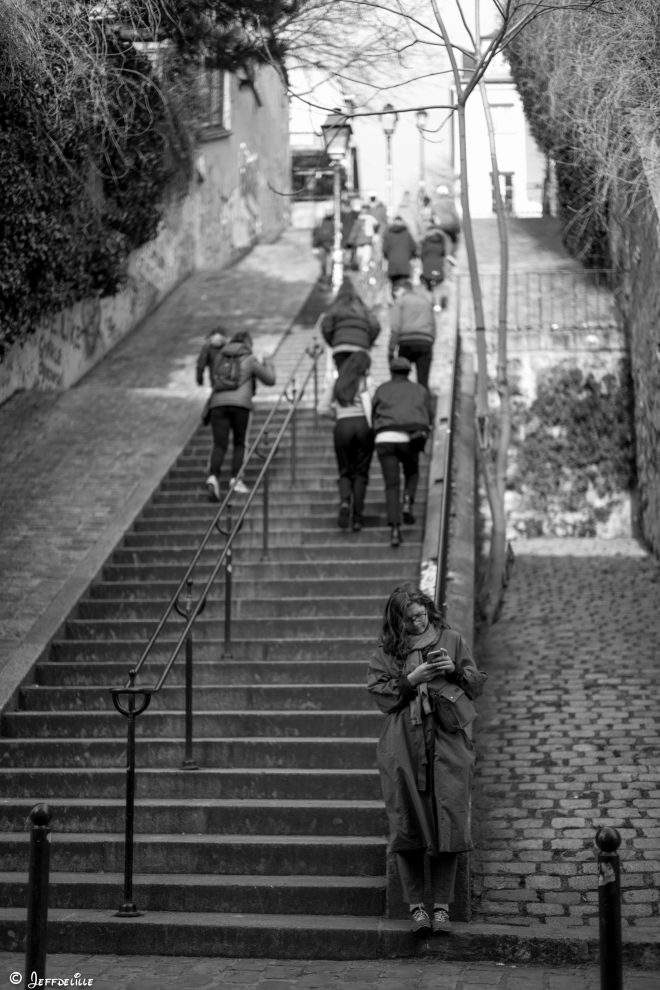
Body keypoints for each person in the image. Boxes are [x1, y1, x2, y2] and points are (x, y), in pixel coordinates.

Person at [366, 583, 487, 937]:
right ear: (397, 622)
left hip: (448, 740)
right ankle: (417, 906)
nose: (418, 624)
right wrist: (410, 680)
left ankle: (443, 907)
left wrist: (453, 671)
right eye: (409, 619)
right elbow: (378, 692)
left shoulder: (451, 638)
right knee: (407, 824)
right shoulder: (387, 652)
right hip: (404, 743)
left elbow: (476, 685)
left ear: (428, 611)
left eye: (421, 615)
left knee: (448, 820)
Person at [196, 329, 276, 501]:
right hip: (240, 405)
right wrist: (268, 361)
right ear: (248, 343)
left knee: (219, 444)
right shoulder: (249, 358)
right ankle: (236, 478)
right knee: (240, 442)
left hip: (217, 404)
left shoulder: (220, 357)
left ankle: (213, 477)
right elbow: (270, 379)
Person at [372, 356, 432, 547]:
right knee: (412, 470)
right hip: (409, 437)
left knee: (391, 485)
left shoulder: (382, 389)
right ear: (409, 372)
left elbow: (373, 411)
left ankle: (395, 530)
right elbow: (427, 413)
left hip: (385, 438)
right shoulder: (419, 390)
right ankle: (408, 500)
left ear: (392, 372)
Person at [329, 350, 375, 532]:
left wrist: (338, 415)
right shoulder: (366, 382)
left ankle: (345, 501)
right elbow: (373, 404)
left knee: (345, 471)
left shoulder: (337, 382)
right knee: (361, 473)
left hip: (342, 427)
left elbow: (322, 407)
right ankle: (357, 518)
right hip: (363, 426)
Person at [320, 276, 381, 371]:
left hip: (340, 348)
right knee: (357, 378)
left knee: (343, 377)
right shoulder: (362, 307)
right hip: (360, 347)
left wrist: (333, 342)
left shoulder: (335, 307)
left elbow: (326, 327)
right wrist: (368, 342)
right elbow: (375, 325)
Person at [388, 279, 436, 390]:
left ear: (403, 289)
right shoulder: (425, 301)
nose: (394, 294)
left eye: (396, 290)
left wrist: (391, 347)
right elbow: (433, 325)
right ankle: (424, 403)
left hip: (406, 342)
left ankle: (403, 400)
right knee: (423, 381)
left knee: (400, 379)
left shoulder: (401, 301)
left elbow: (395, 326)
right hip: (425, 342)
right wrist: (430, 341)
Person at [382, 216, 417, 296]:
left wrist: (389, 257)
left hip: (392, 263)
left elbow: (384, 250)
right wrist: (408, 256)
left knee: (394, 285)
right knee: (403, 284)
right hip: (404, 263)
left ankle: (395, 302)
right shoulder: (407, 234)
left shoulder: (388, 235)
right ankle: (403, 301)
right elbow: (413, 247)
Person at [420, 222, 448, 311]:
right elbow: (444, 253)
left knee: (429, 286)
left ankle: (430, 303)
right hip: (438, 267)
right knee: (438, 285)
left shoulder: (425, 241)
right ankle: (438, 304)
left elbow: (421, 255)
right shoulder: (441, 240)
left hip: (427, 268)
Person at [311, 210, 335, 288]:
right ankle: (326, 280)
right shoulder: (333, 222)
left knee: (325, 264)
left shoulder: (322, 223)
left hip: (325, 246)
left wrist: (314, 246)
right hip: (328, 246)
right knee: (327, 264)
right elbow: (317, 235)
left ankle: (326, 281)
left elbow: (316, 235)